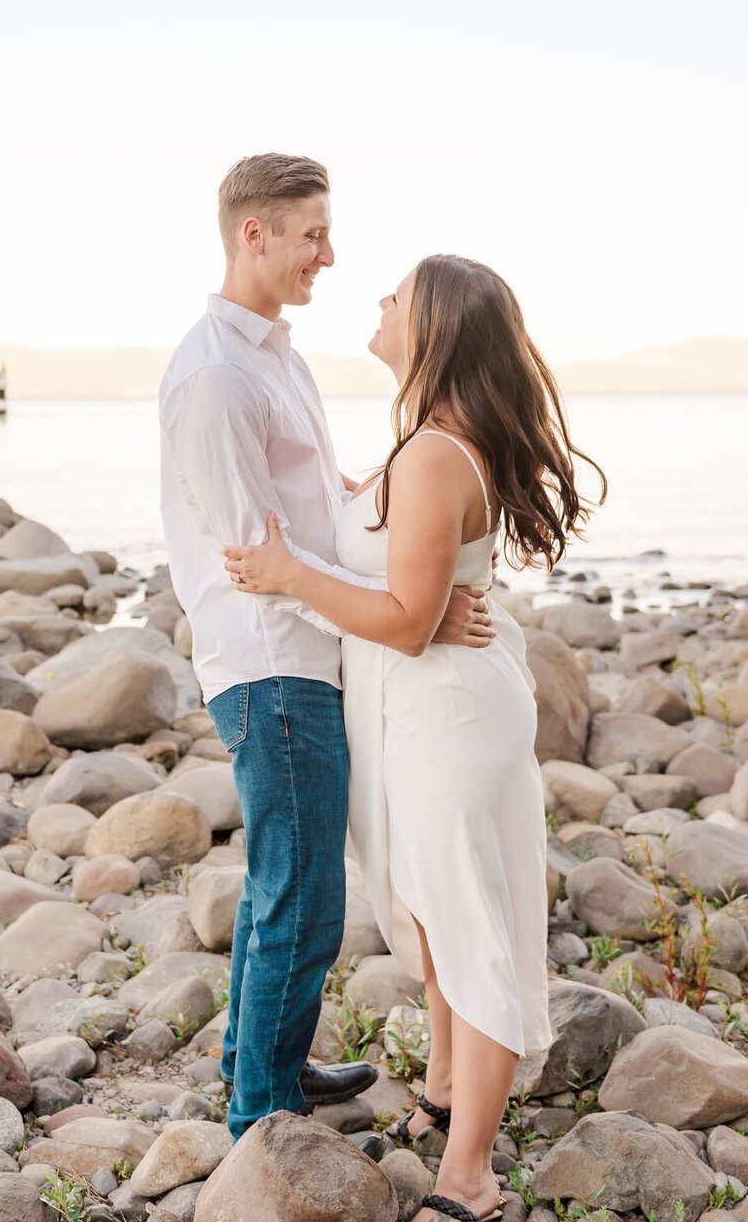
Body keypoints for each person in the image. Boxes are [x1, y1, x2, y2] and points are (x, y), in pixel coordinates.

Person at [224, 253, 605, 1222]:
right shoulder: (424, 449)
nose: (380, 303)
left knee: (466, 931)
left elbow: (401, 620)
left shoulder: (438, 455)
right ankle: (443, 1095)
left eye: (397, 296)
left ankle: (471, 1182)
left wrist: (286, 575)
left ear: (432, 326)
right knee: (435, 921)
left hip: (446, 722)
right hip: (419, 717)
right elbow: (411, 578)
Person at [159, 161, 496, 1144]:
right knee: (303, 887)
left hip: (304, 650)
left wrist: (412, 552)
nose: (330, 255)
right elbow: (253, 549)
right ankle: (260, 1113)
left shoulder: (274, 357)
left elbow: (319, 503)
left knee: (292, 877)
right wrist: (414, 613)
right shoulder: (218, 373)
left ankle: (261, 1059)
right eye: (311, 235)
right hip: (271, 659)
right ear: (253, 235)